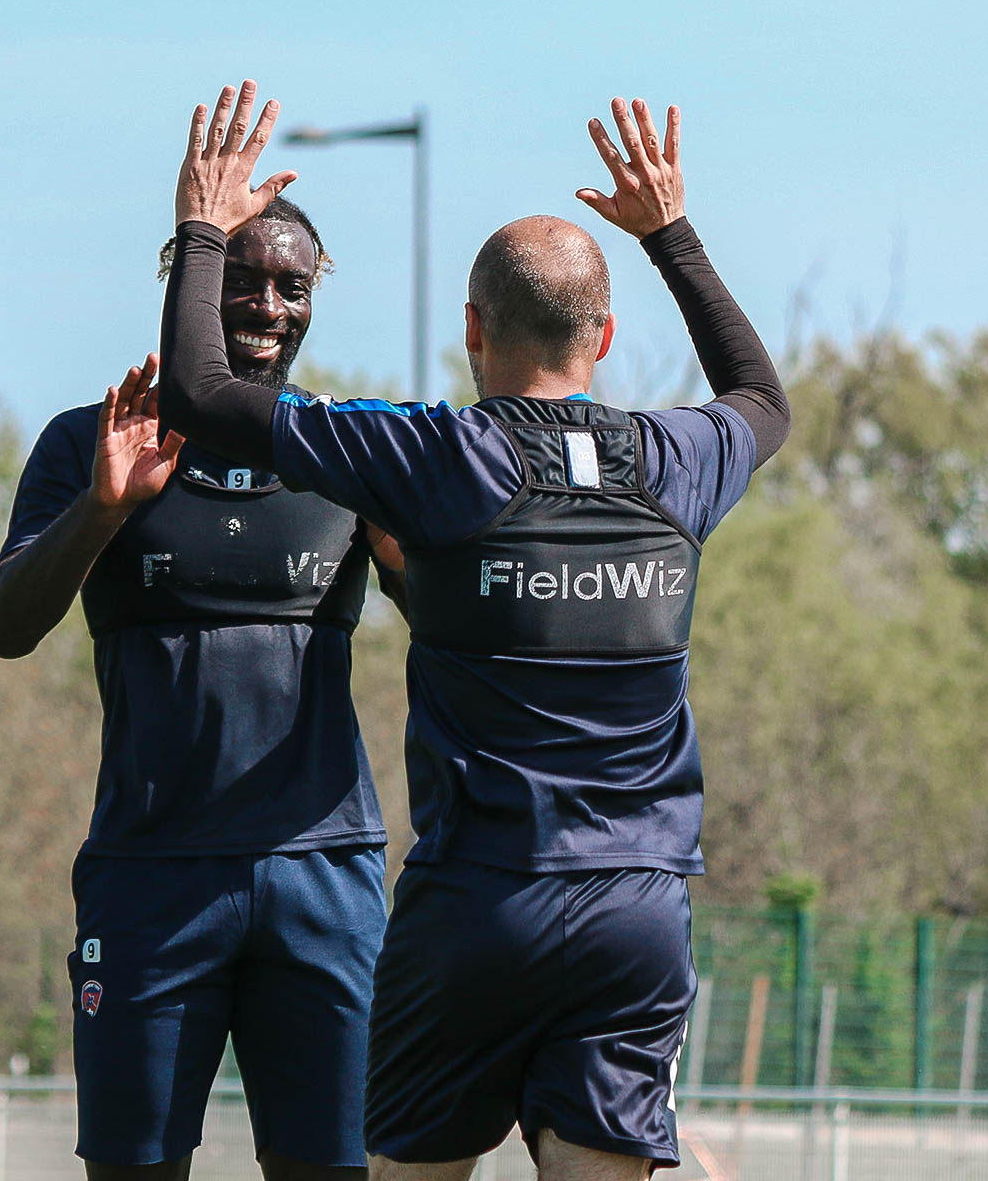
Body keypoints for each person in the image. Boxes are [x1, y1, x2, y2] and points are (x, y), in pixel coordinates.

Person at [157, 82, 789, 1181]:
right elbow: (761, 398)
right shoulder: (674, 465)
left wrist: (203, 227)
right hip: (637, 911)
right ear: (603, 336)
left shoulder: (439, 458)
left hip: (474, 910)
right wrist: (668, 233)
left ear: (471, 329)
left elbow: (203, 395)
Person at [0, 111, 402, 1179]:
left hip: (324, 877)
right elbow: (6, 626)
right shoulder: (93, 439)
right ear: (187, 283)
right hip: (151, 879)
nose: (266, 306)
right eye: (241, 278)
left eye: (291, 287)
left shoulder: (344, 447)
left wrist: (412, 558)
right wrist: (102, 514)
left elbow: (454, 634)